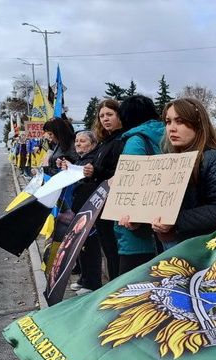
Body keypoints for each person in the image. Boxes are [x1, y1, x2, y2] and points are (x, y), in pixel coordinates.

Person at [151, 98, 216, 248]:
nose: (172, 128)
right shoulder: (167, 160)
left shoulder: (210, 158)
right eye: (168, 122)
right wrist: (136, 219)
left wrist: (175, 220)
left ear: (198, 124)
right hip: (170, 245)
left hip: (199, 248)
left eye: (180, 121)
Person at [112, 95, 165, 275]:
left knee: (131, 287)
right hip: (164, 223)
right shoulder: (166, 136)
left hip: (137, 230)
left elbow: (131, 182)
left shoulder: (136, 141)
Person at [77, 99, 125, 283]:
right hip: (101, 203)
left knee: (114, 252)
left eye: (109, 114)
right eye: (102, 115)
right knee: (109, 251)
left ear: (119, 115)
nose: (105, 119)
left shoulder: (122, 140)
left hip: (113, 204)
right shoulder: (106, 141)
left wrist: (96, 171)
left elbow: (121, 173)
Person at [61, 130, 101, 294]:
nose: (77, 144)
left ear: (92, 144)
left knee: (90, 246)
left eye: (82, 141)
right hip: (79, 208)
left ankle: (92, 283)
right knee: (81, 245)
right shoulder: (81, 160)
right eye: (77, 141)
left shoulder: (92, 161)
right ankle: (84, 278)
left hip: (89, 208)